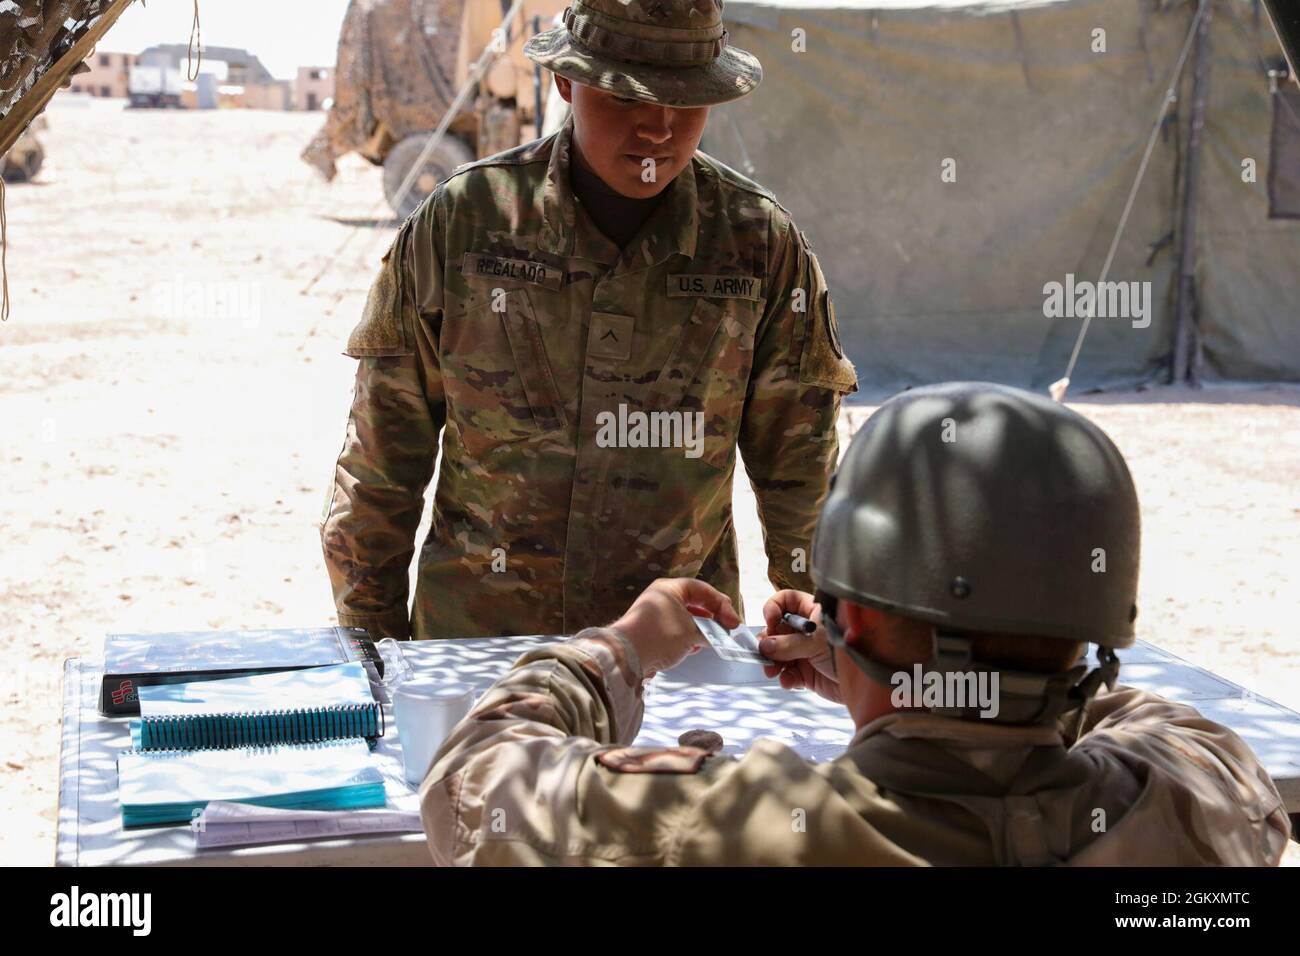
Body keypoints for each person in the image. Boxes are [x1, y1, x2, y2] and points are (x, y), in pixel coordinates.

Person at [416, 382, 1291, 865]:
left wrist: (619, 650)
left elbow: (472, 780)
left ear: (856, 614)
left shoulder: (724, 830)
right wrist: (926, 685)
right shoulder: (1191, 812)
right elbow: (1172, 734)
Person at [320, 0, 858, 641]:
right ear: (566, 82)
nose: (658, 128)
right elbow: (382, 465)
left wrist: (824, 621)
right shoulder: (464, 224)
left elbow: (799, 471)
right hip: (485, 652)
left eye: (685, 102)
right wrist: (374, 648)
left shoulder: (757, 243)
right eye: (627, 99)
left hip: (677, 660)